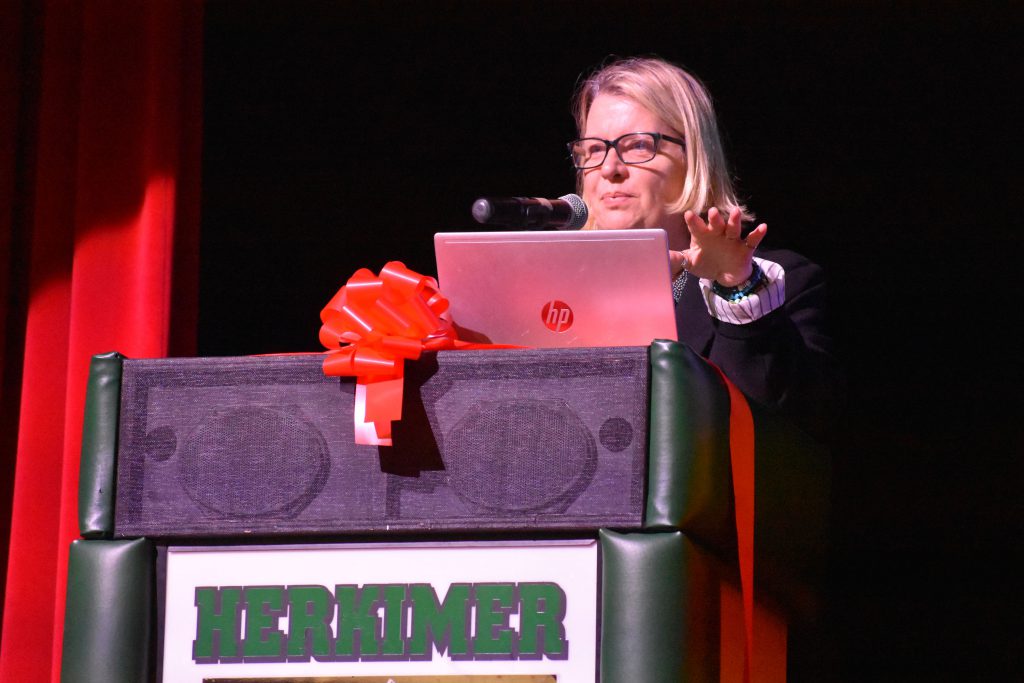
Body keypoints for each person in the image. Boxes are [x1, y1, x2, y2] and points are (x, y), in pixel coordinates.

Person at [569, 56, 842, 441]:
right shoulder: (548, 290)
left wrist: (736, 289)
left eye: (638, 146)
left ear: (694, 157)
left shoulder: (780, 283)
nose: (610, 167)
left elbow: (785, 427)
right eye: (594, 149)